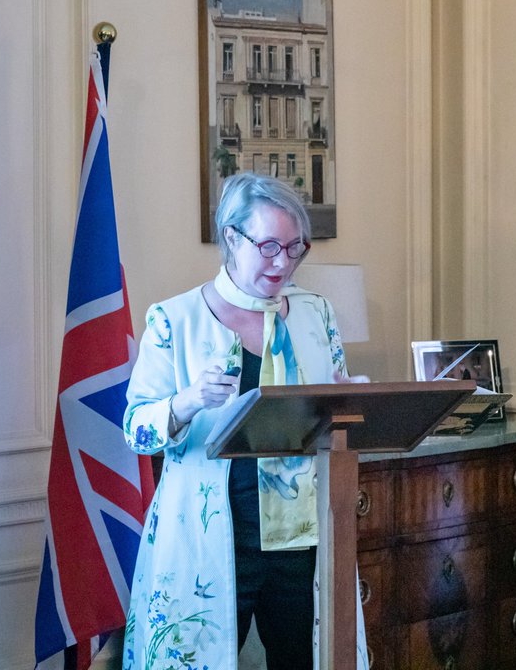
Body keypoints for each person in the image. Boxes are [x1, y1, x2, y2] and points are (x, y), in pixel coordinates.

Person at [121, 173, 368, 670]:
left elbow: (334, 401)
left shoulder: (316, 314)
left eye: (296, 247)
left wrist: (351, 396)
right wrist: (187, 401)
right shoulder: (175, 320)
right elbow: (135, 430)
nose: (283, 262)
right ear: (232, 238)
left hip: (303, 539)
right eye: (270, 245)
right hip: (211, 539)